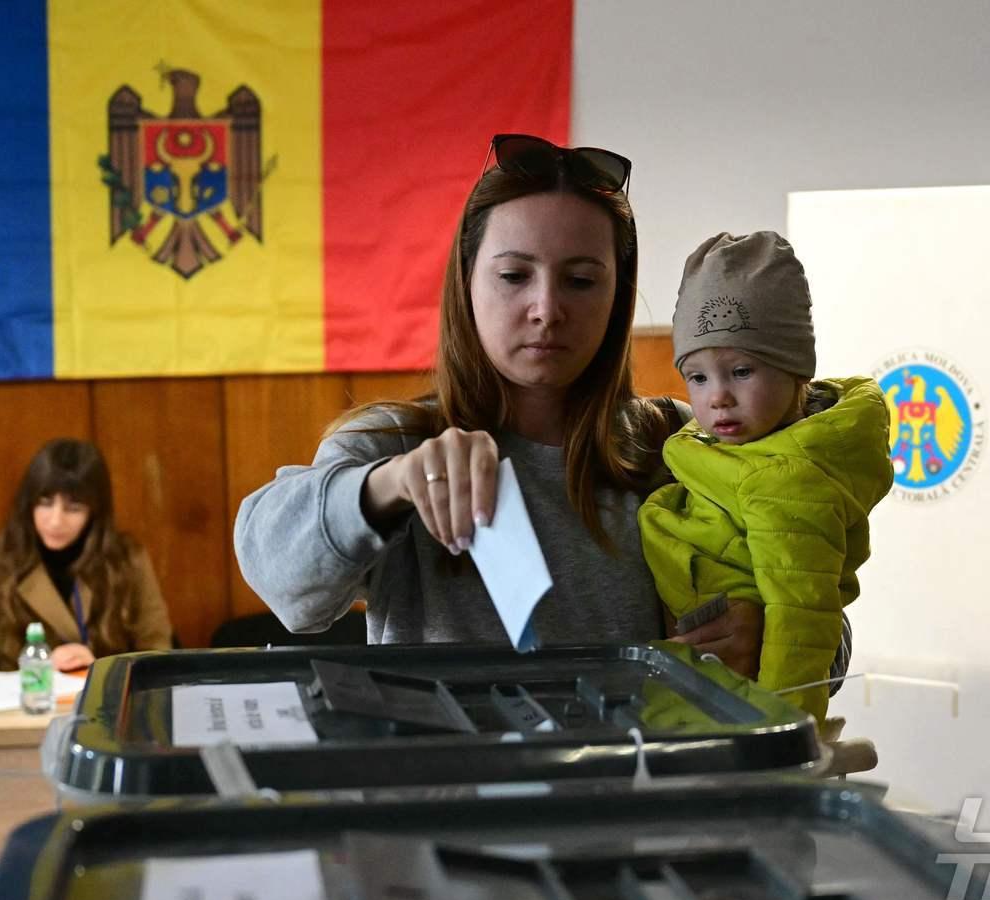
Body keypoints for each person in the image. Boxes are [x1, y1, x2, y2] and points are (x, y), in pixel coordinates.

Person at [233, 134, 851, 682]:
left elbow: (821, 621)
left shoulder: (685, 444)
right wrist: (388, 486)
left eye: (581, 280)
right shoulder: (396, 443)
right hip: (453, 803)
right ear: (466, 282)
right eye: (513, 276)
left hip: (643, 802)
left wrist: (763, 635)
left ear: (617, 295)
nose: (547, 308)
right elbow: (282, 580)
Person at [637, 232, 892, 722]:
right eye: (698, 378)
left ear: (797, 372)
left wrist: (784, 733)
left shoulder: (789, 479)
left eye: (742, 371)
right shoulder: (716, 443)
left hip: (733, 713)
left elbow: (804, 623)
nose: (718, 398)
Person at [0, 438, 172, 677]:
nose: (56, 521)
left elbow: (157, 653)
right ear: (28, 504)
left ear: (95, 512)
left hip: (104, 703)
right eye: (45, 503)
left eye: (74, 508)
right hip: (22, 704)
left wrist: (101, 668)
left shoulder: (127, 559)